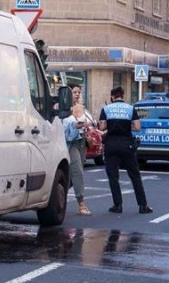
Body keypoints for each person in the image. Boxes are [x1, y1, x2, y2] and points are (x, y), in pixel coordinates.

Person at [98, 86, 152, 214]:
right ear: (123, 95)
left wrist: (110, 125)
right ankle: (143, 205)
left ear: (112, 97)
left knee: (113, 176)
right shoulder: (130, 108)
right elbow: (138, 127)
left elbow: (102, 126)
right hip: (127, 144)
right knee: (135, 175)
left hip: (111, 144)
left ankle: (118, 205)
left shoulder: (106, 109)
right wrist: (128, 126)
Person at [63, 103, 91, 215]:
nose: (77, 94)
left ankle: (56, 194)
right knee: (77, 170)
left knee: (72, 174)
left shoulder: (81, 108)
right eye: (74, 92)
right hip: (71, 144)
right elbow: (67, 134)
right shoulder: (63, 110)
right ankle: (81, 203)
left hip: (81, 142)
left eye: (79, 92)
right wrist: (76, 126)